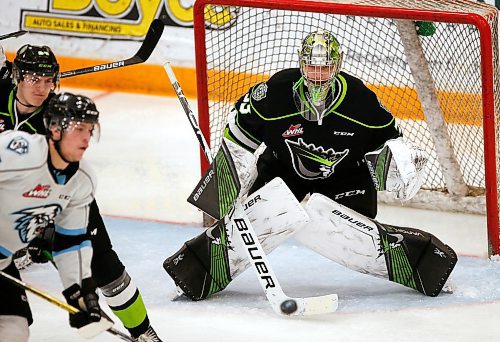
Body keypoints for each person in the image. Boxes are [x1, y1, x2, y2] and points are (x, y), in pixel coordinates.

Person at [163, 30, 457, 301]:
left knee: (346, 232)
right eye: (312, 67)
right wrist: (226, 186)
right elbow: (239, 133)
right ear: (302, 65)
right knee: (258, 217)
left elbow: (391, 142)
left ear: (337, 65)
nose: (318, 75)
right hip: (282, 173)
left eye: (325, 67)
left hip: (347, 180)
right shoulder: (274, 94)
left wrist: (397, 168)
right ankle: (196, 272)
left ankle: (424, 264)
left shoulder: (360, 101)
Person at [0, 44, 162, 341]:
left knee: (104, 264)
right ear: (16, 76)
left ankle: (143, 332)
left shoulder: (56, 117)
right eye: (34, 79)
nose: (42, 88)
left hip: (58, 192)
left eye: (48, 80)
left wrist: (45, 232)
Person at [0, 92, 104, 341]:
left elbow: (72, 241)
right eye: (79, 128)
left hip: (2, 263)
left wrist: (79, 292)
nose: (86, 138)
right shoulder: (19, 152)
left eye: (90, 129)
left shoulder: (82, 181)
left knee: (14, 330)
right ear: (55, 129)